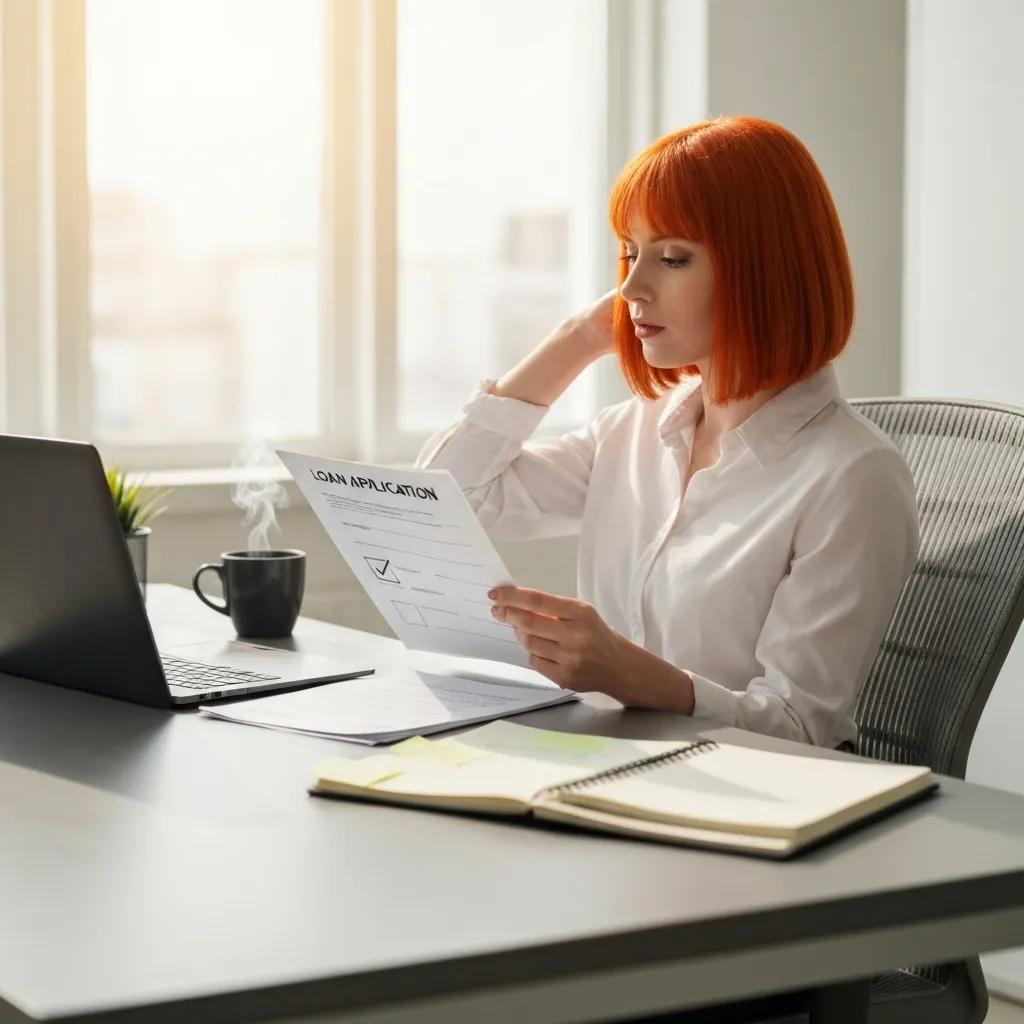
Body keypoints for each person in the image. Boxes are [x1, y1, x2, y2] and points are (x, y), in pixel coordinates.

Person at [415, 116, 920, 750]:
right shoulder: (634, 431)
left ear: (762, 270)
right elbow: (442, 502)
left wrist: (641, 679)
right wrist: (577, 338)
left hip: (743, 810)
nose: (630, 287)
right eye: (630, 251)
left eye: (672, 257)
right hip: (602, 768)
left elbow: (802, 730)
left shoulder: (853, 477)